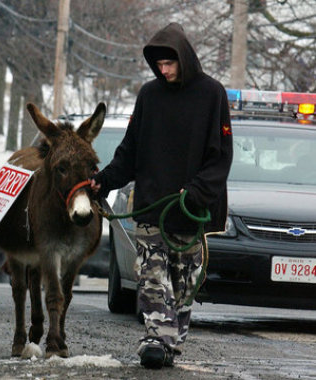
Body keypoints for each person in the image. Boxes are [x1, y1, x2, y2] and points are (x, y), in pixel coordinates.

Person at [91, 22, 233, 369]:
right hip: (152, 210)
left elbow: (221, 156)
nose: (163, 70)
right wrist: (104, 180)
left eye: (169, 63)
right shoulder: (149, 96)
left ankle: (169, 342)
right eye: (158, 64)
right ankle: (155, 339)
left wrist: (198, 190)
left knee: (183, 287)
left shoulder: (212, 95)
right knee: (153, 278)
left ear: (184, 58)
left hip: (189, 209)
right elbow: (130, 151)